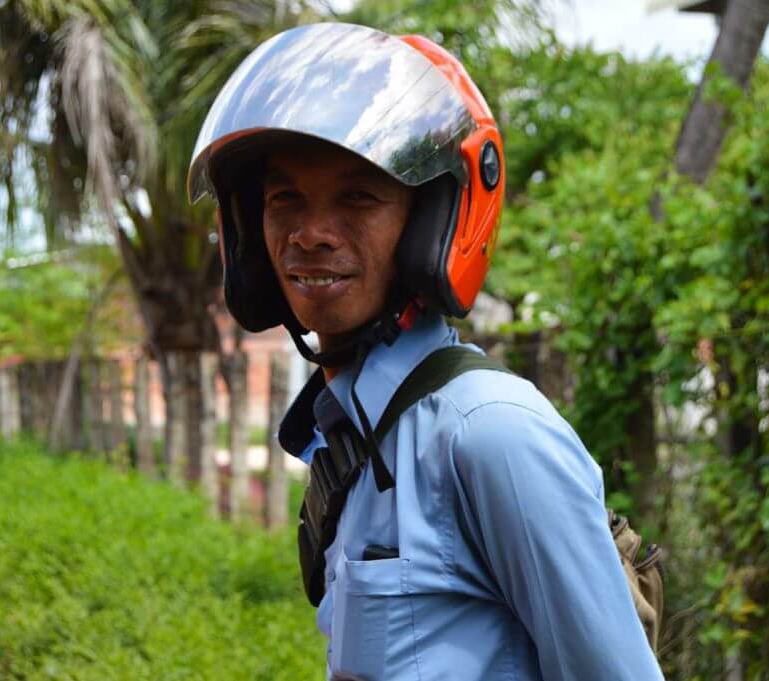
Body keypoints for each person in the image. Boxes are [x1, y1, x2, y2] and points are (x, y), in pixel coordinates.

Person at [188, 22, 664, 681]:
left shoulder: (489, 433)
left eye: (358, 195)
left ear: (432, 223)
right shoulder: (353, 432)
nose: (311, 233)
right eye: (284, 198)